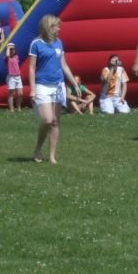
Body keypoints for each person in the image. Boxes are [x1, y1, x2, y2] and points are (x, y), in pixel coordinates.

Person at [29, 14, 79, 164]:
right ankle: (38, 148)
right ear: (48, 27)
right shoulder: (36, 44)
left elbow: (64, 65)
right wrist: (32, 89)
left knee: (55, 121)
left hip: (58, 85)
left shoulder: (59, 43)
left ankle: (52, 156)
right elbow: (31, 68)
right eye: (56, 26)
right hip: (42, 86)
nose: (59, 29)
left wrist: (74, 84)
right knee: (47, 119)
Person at [4, 43, 23, 112]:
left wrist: (11, 47)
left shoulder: (16, 56)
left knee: (20, 93)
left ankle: (18, 107)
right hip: (11, 78)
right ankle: (11, 108)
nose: (12, 50)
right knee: (11, 94)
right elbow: (7, 55)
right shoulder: (6, 58)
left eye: (13, 49)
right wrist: (8, 47)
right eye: (11, 49)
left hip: (18, 77)